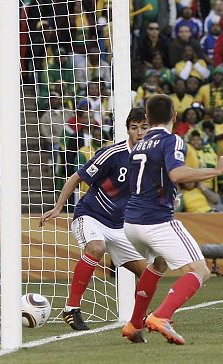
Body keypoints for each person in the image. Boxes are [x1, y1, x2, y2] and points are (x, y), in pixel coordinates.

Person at [120, 95, 223, 344]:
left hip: (131, 222)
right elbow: (177, 174)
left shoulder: (139, 144)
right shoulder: (172, 139)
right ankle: (162, 316)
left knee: (159, 263)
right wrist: (216, 170)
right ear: (174, 116)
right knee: (200, 270)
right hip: (156, 221)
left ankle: (135, 324)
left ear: (147, 119)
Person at [38, 108, 150, 331]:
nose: (139, 132)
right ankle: (71, 309)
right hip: (90, 215)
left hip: (119, 226)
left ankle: (139, 319)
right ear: (127, 130)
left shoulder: (152, 160)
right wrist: (59, 207)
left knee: (148, 274)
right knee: (97, 248)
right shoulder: (113, 154)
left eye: (144, 127)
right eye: (134, 127)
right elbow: (76, 177)